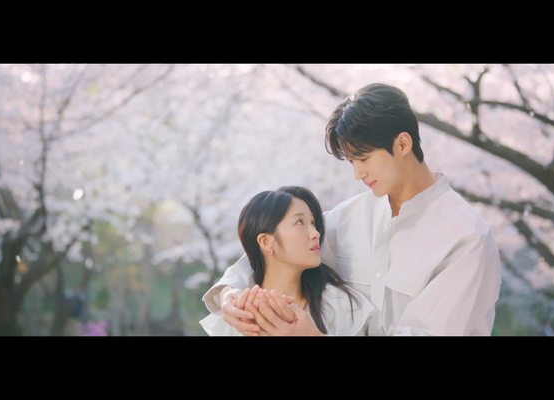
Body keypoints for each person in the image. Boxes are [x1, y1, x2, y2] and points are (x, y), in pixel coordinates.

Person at [203, 83, 502, 335]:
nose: (357, 174)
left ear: (402, 144)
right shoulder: (347, 219)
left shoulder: (466, 239)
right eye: (351, 162)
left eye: (364, 158)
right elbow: (274, 251)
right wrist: (230, 295)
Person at [200, 186, 374, 336]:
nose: (315, 233)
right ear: (266, 241)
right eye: (300, 222)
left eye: (313, 223)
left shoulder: (339, 306)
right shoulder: (239, 317)